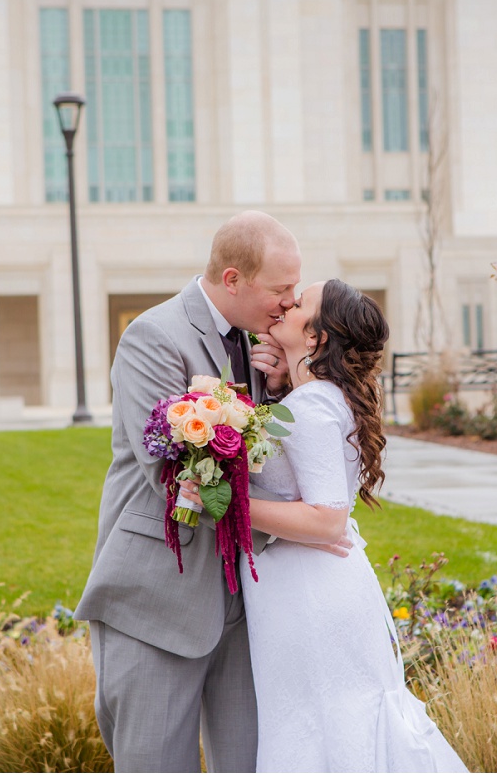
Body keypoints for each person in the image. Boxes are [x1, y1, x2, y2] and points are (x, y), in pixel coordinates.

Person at [75, 210, 345, 772]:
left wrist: (273, 390)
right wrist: (310, 520)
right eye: (280, 289)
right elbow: (175, 473)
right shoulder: (153, 335)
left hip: (247, 606)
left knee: (252, 763)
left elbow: (267, 455)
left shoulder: (256, 344)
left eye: (296, 289)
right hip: (159, 599)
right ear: (232, 280)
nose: (290, 302)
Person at [182, 279, 469, 772]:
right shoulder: (315, 398)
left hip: (309, 597)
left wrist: (227, 507)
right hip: (309, 587)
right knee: (326, 726)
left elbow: (328, 518)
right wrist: (275, 390)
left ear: (315, 337)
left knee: (320, 730)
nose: (287, 304)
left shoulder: (312, 407)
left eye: (300, 303)